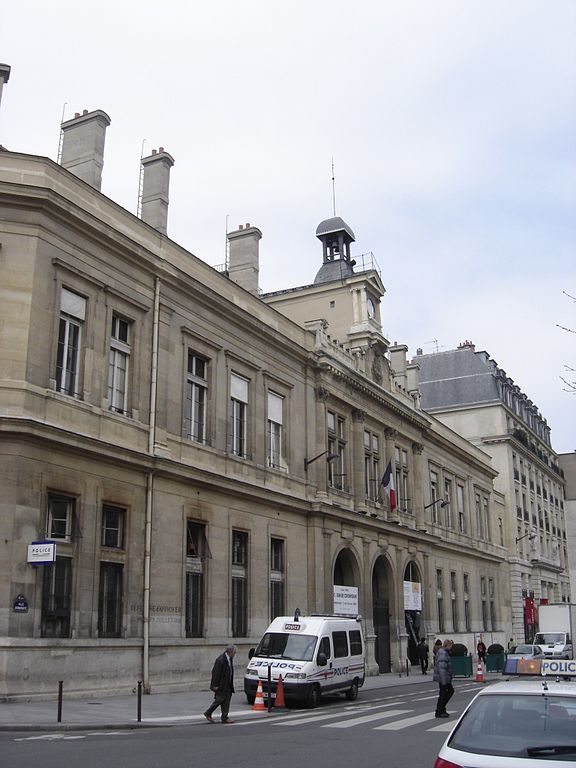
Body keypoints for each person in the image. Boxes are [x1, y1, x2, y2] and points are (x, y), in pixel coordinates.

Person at [204, 644, 237, 723]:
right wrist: (215, 685)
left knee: (227, 700)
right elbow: (216, 673)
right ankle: (208, 713)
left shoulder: (229, 658)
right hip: (221, 684)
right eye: (234, 652)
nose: (235, 654)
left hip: (228, 683)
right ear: (231, 652)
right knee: (220, 699)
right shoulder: (221, 660)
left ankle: (225, 717)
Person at [433, 638, 454, 718]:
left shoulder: (444, 652)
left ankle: (441, 709)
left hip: (445, 677)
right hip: (443, 678)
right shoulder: (443, 653)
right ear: (447, 645)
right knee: (444, 693)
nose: (451, 647)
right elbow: (442, 668)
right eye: (450, 645)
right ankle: (439, 711)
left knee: (446, 693)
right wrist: (444, 681)